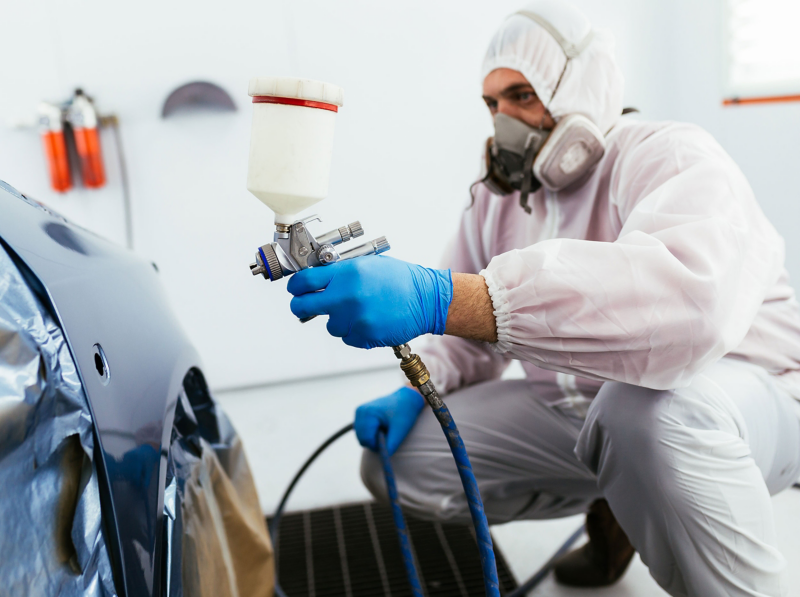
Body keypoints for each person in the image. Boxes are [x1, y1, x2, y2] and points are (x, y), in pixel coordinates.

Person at [286, 2, 800, 595]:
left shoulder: (672, 155)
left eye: (522, 95)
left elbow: (687, 311)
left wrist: (446, 296)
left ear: (583, 88)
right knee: (398, 463)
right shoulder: (498, 199)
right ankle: (623, 499)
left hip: (741, 405)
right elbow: (467, 340)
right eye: (492, 104)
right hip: (585, 413)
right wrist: (414, 387)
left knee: (642, 415)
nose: (503, 119)